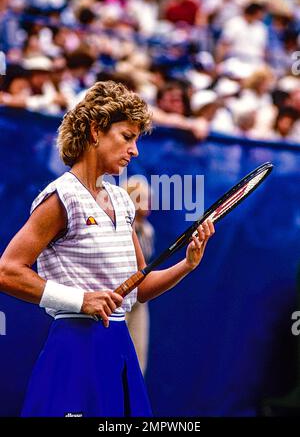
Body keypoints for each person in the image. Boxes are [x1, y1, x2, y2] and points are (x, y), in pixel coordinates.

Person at [0, 80, 215, 417]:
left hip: (119, 345)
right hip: (74, 347)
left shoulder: (121, 200)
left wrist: (187, 264)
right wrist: (81, 299)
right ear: (96, 131)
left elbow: (138, 286)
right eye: (127, 137)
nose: (135, 150)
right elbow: (7, 271)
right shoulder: (62, 197)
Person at [123, 176, 155, 375]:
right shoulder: (120, 227)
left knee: (137, 358)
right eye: (143, 197)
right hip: (118, 299)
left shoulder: (148, 230)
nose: (149, 202)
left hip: (139, 301)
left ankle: (131, 404)